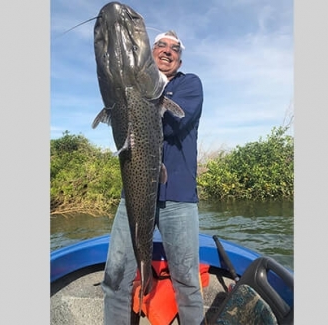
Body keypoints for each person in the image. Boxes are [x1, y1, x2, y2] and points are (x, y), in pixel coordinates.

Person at [101, 30, 204, 325]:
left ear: (180, 58)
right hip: (132, 196)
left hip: (178, 198)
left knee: (186, 281)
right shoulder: (132, 85)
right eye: (161, 45)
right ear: (150, 53)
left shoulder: (190, 84)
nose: (167, 51)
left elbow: (173, 124)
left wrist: (136, 101)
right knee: (116, 279)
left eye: (174, 48)